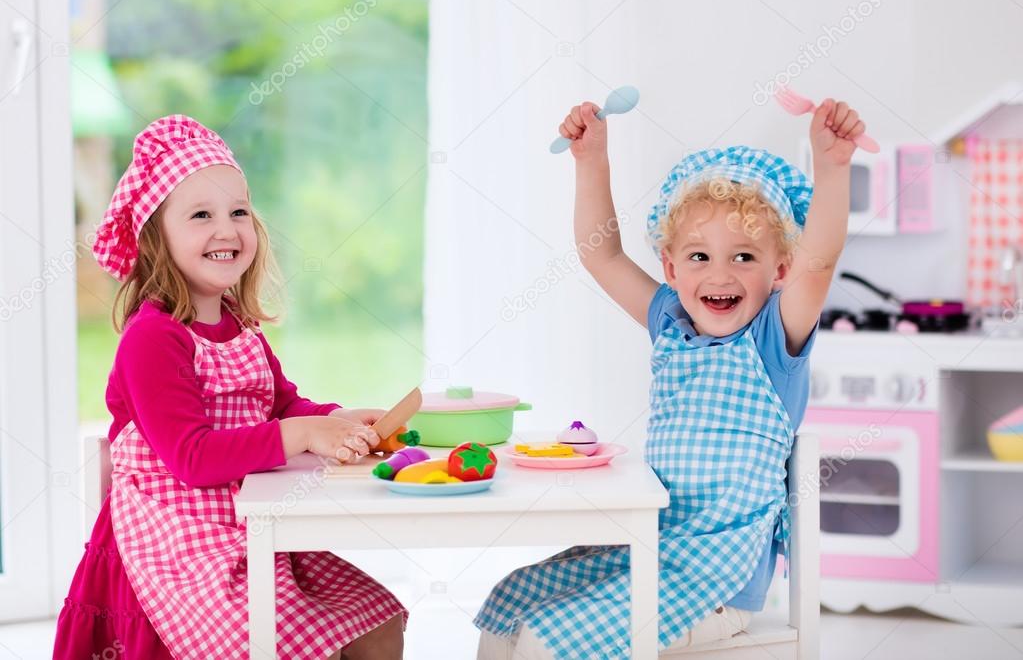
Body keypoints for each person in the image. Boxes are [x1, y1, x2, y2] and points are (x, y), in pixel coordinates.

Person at [475, 97, 866, 658]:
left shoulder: (773, 339)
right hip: (649, 548)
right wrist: (592, 162)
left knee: (546, 639)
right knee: (511, 605)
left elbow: (820, 260)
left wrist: (831, 169)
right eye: (700, 256)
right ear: (671, 268)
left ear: (780, 271)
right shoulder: (670, 323)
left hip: (716, 581)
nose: (720, 274)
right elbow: (602, 256)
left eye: (745, 258)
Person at [54, 115, 406, 660]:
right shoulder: (153, 338)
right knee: (299, 646)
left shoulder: (239, 325)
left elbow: (283, 405)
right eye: (201, 215)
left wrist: (340, 418)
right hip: (176, 549)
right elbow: (192, 458)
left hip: (248, 527)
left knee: (375, 626)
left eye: (238, 211)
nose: (226, 229)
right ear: (154, 238)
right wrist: (301, 432)